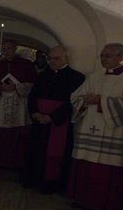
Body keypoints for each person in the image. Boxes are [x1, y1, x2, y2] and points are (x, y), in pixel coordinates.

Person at [67, 43, 123, 210]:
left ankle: (107, 205)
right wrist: (85, 101)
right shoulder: (94, 77)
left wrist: (100, 101)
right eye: (102, 56)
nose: (104, 59)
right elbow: (75, 97)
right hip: (90, 128)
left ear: (121, 57)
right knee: (86, 166)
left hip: (114, 131)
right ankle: (82, 199)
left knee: (109, 170)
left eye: (108, 56)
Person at [21, 46, 85, 193]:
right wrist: (35, 112)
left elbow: (73, 103)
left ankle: (50, 184)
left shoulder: (76, 77)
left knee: (54, 153)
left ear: (66, 58)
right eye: (51, 58)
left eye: (57, 58)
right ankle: (32, 179)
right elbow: (33, 96)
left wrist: (51, 117)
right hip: (39, 120)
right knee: (36, 150)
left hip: (57, 123)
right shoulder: (43, 75)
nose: (52, 61)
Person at [0, 39, 37, 168]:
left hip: (19, 103)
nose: (7, 51)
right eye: (4, 49)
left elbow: (33, 84)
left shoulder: (26, 64)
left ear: (15, 48)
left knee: (19, 131)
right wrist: (0, 88)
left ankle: (17, 162)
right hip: (1, 102)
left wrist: (17, 87)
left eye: (9, 48)